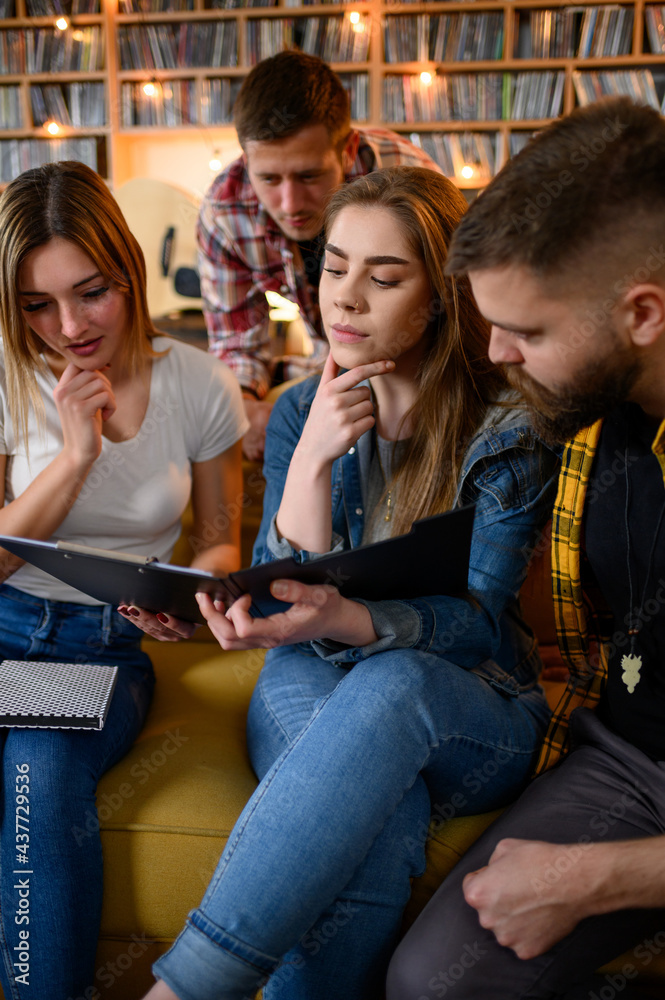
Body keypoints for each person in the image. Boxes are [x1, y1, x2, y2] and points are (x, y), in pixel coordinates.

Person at [142, 164, 559, 1000]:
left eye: (384, 276)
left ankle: (187, 988)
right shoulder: (302, 407)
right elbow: (269, 597)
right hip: (309, 671)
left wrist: (351, 619)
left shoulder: (507, 427)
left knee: (396, 680)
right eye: (334, 267)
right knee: (378, 822)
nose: (345, 299)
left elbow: (478, 626)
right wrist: (309, 461)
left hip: (465, 700)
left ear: (441, 294)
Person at [387, 96, 665, 1000]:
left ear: (643, 311)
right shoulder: (588, 416)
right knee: (432, 985)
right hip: (625, 756)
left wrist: (588, 879)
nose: (498, 352)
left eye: (528, 331)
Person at [0, 160, 248, 1000]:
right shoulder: (6, 377)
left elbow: (219, 538)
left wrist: (190, 593)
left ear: (129, 271)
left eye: (90, 291)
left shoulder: (198, 384)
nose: (67, 325)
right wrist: (76, 455)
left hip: (99, 650)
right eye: (37, 304)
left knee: (39, 763)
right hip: (4, 624)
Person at [198, 49, 442, 460]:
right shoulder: (224, 212)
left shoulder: (411, 179)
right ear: (246, 158)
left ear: (347, 150)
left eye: (308, 175)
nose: (290, 202)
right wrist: (245, 408)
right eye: (269, 178)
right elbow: (236, 344)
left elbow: (447, 309)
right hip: (322, 365)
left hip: (413, 370)